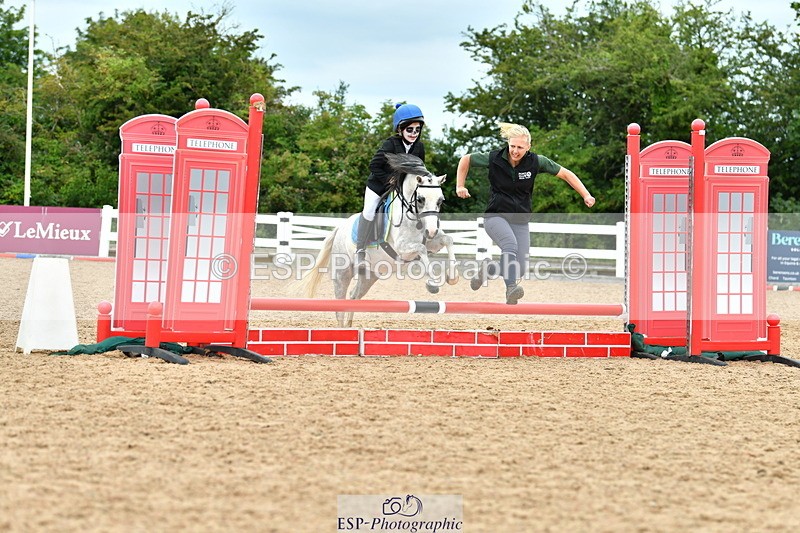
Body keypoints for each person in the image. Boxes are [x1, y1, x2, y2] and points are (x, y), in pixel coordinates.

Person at [455, 122, 595, 304]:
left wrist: (586, 194)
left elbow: (566, 174)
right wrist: (460, 185)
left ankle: (489, 269)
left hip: (520, 220)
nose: (515, 151)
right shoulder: (494, 158)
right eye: (512, 146)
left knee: (519, 268)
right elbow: (465, 159)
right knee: (510, 246)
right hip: (495, 216)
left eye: (520, 147)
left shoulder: (536, 162)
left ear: (528, 146)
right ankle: (511, 288)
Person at [354, 103, 427, 273]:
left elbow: (420, 170)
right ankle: (360, 251)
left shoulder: (419, 147)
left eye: (417, 130)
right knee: (369, 211)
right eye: (410, 130)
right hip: (378, 186)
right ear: (400, 129)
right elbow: (374, 166)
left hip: (402, 189)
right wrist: (390, 180)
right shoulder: (390, 144)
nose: (414, 134)